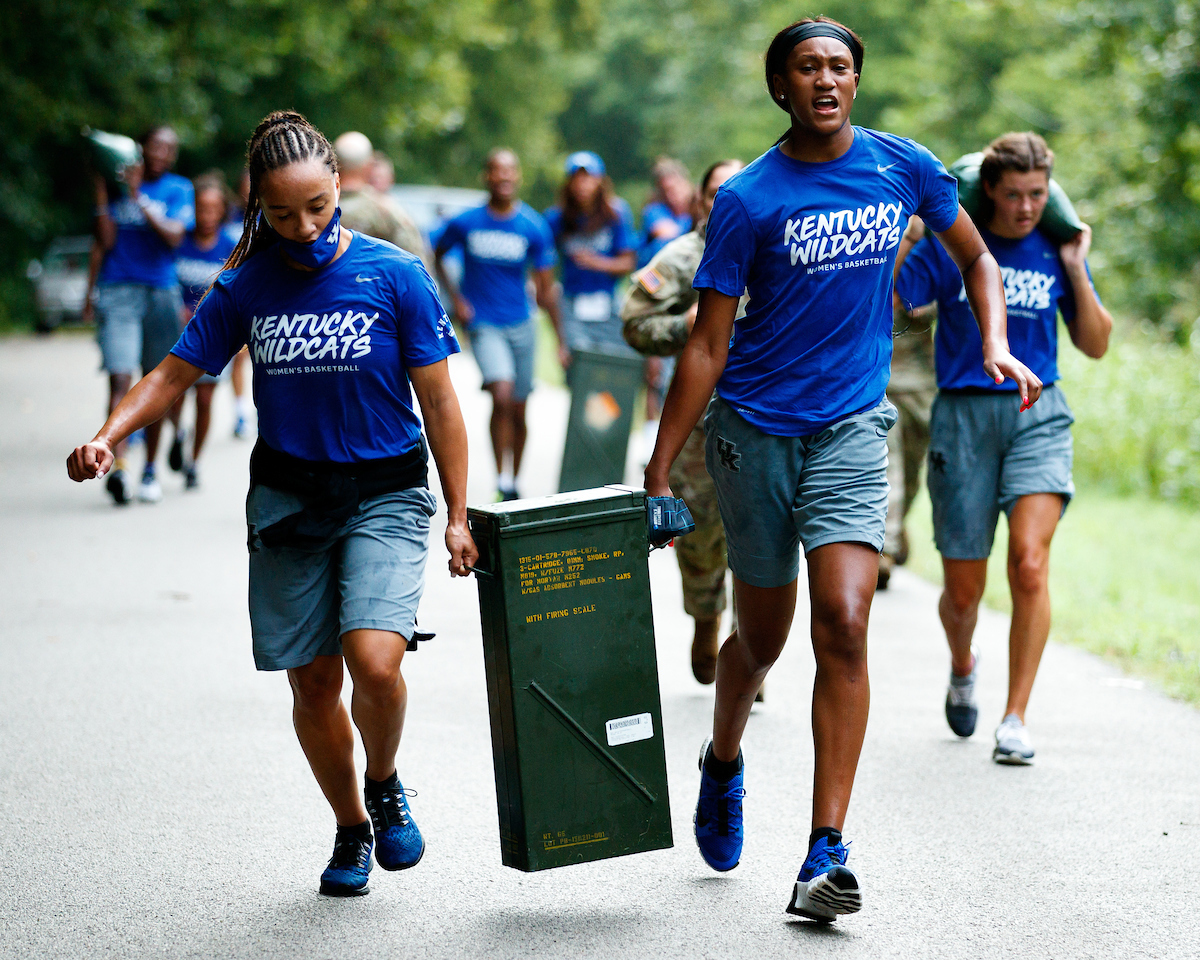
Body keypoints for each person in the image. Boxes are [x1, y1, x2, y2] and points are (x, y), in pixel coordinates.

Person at [644, 17, 1041, 922]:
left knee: (846, 622)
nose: (825, 80)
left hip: (853, 429)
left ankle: (825, 851)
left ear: (856, 82)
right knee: (763, 638)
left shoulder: (903, 166)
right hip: (754, 435)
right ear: (780, 88)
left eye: (839, 67)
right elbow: (708, 342)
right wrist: (662, 466)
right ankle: (723, 758)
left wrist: (992, 342)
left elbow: (976, 260)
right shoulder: (749, 198)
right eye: (806, 68)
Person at [67, 111, 478, 898]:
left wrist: (457, 515)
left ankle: (386, 778)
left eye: (319, 207)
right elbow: (173, 373)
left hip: (386, 491)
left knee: (374, 661)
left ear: (338, 187)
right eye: (282, 214)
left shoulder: (395, 274)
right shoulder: (248, 282)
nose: (304, 227)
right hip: (290, 499)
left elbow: (441, 402)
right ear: (258, 205)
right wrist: (108, 435)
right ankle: (352, 825)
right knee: (314, 685)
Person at [895, 132, 1111, 764]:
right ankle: (964, 663)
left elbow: (1095, 343)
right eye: (1013, 194)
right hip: (963, 415)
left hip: (1039, 413)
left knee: (1030, 563)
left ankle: (1016, 717)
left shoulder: (1053, 243)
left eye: (1038, 195)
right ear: (988, 189)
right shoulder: (957, 241)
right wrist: (914, 238)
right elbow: (902, 311)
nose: (1025, 207)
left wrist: (1074, 265)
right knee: (963, 591)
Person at [623, 159, 744, 684]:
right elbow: (633, 322)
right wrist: (686, 325)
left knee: (761, 534)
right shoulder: (680, 258)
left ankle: (747, 651)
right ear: (699, 201)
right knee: (698, 531)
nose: (723, 203)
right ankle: (706, 617)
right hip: (696, 416)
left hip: (764, 413)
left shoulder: (777, 250)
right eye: (715, 193)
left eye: (734, 193)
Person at [434, 149, 565, 501]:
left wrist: (561, 340)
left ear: (517, 177)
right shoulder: (467, 222)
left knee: (520, 407)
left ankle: (514, 480)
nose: (503, 177)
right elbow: (437, 252)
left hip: (521, 323)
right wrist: (456, 299)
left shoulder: (532, 226)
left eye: (509, 171)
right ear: (486, 177)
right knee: (502, 394)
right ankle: (500, 475)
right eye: (496, 171)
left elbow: (545, 285)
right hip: (484, 323)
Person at [89, 125, 194, 504]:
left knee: (156, 382)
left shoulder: (179, 189)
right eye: (154, 146)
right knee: (120, 378)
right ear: (141, 149)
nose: (160, 153)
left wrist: (138, 197)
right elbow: (107, 241)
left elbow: (174, 236)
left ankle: (150, 468)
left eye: (168, 148)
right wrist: (104, 195)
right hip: (118, 290)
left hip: (161, 292)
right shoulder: (117, 185)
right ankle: (119, 466)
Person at [878, 224, 938, 589]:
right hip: (877, 384)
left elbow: (944, 301)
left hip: (919, 385)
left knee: (912, 473)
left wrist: (912, 294)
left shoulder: (925, 249)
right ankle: (884, 548)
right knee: (888, 466)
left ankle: (897, 528)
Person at [170, 173, 238, 488]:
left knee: (206, 400)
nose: (206, 216)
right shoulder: (178, 240)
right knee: (172, 395)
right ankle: (177, 433)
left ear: (222, 210)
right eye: (201, 208)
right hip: (175, 330)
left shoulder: (230, 246)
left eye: (213, 209)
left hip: (211, 335)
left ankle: (194, 461)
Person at [545, 152, 638, 358]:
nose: (582, 184)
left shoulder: (617, 213)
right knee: (578, 364)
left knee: (613, 361)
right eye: (576, 178)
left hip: (608, 300)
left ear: (600, 181)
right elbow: (544, 264)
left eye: (588, 177)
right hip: (571, 301)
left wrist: (596, 263)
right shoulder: (556, 218)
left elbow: (628, 262)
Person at [334, 132, 433, 275]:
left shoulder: (314, 210)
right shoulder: (387, 210)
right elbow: (418, 267)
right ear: (368, 166)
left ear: (335, 163)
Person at [637, 156, 694, 267]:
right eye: (666, 190)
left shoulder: (696, 210)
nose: (671, 194)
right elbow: (665, 232)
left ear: (687, 183)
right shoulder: (654, 211)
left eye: (675, 186)